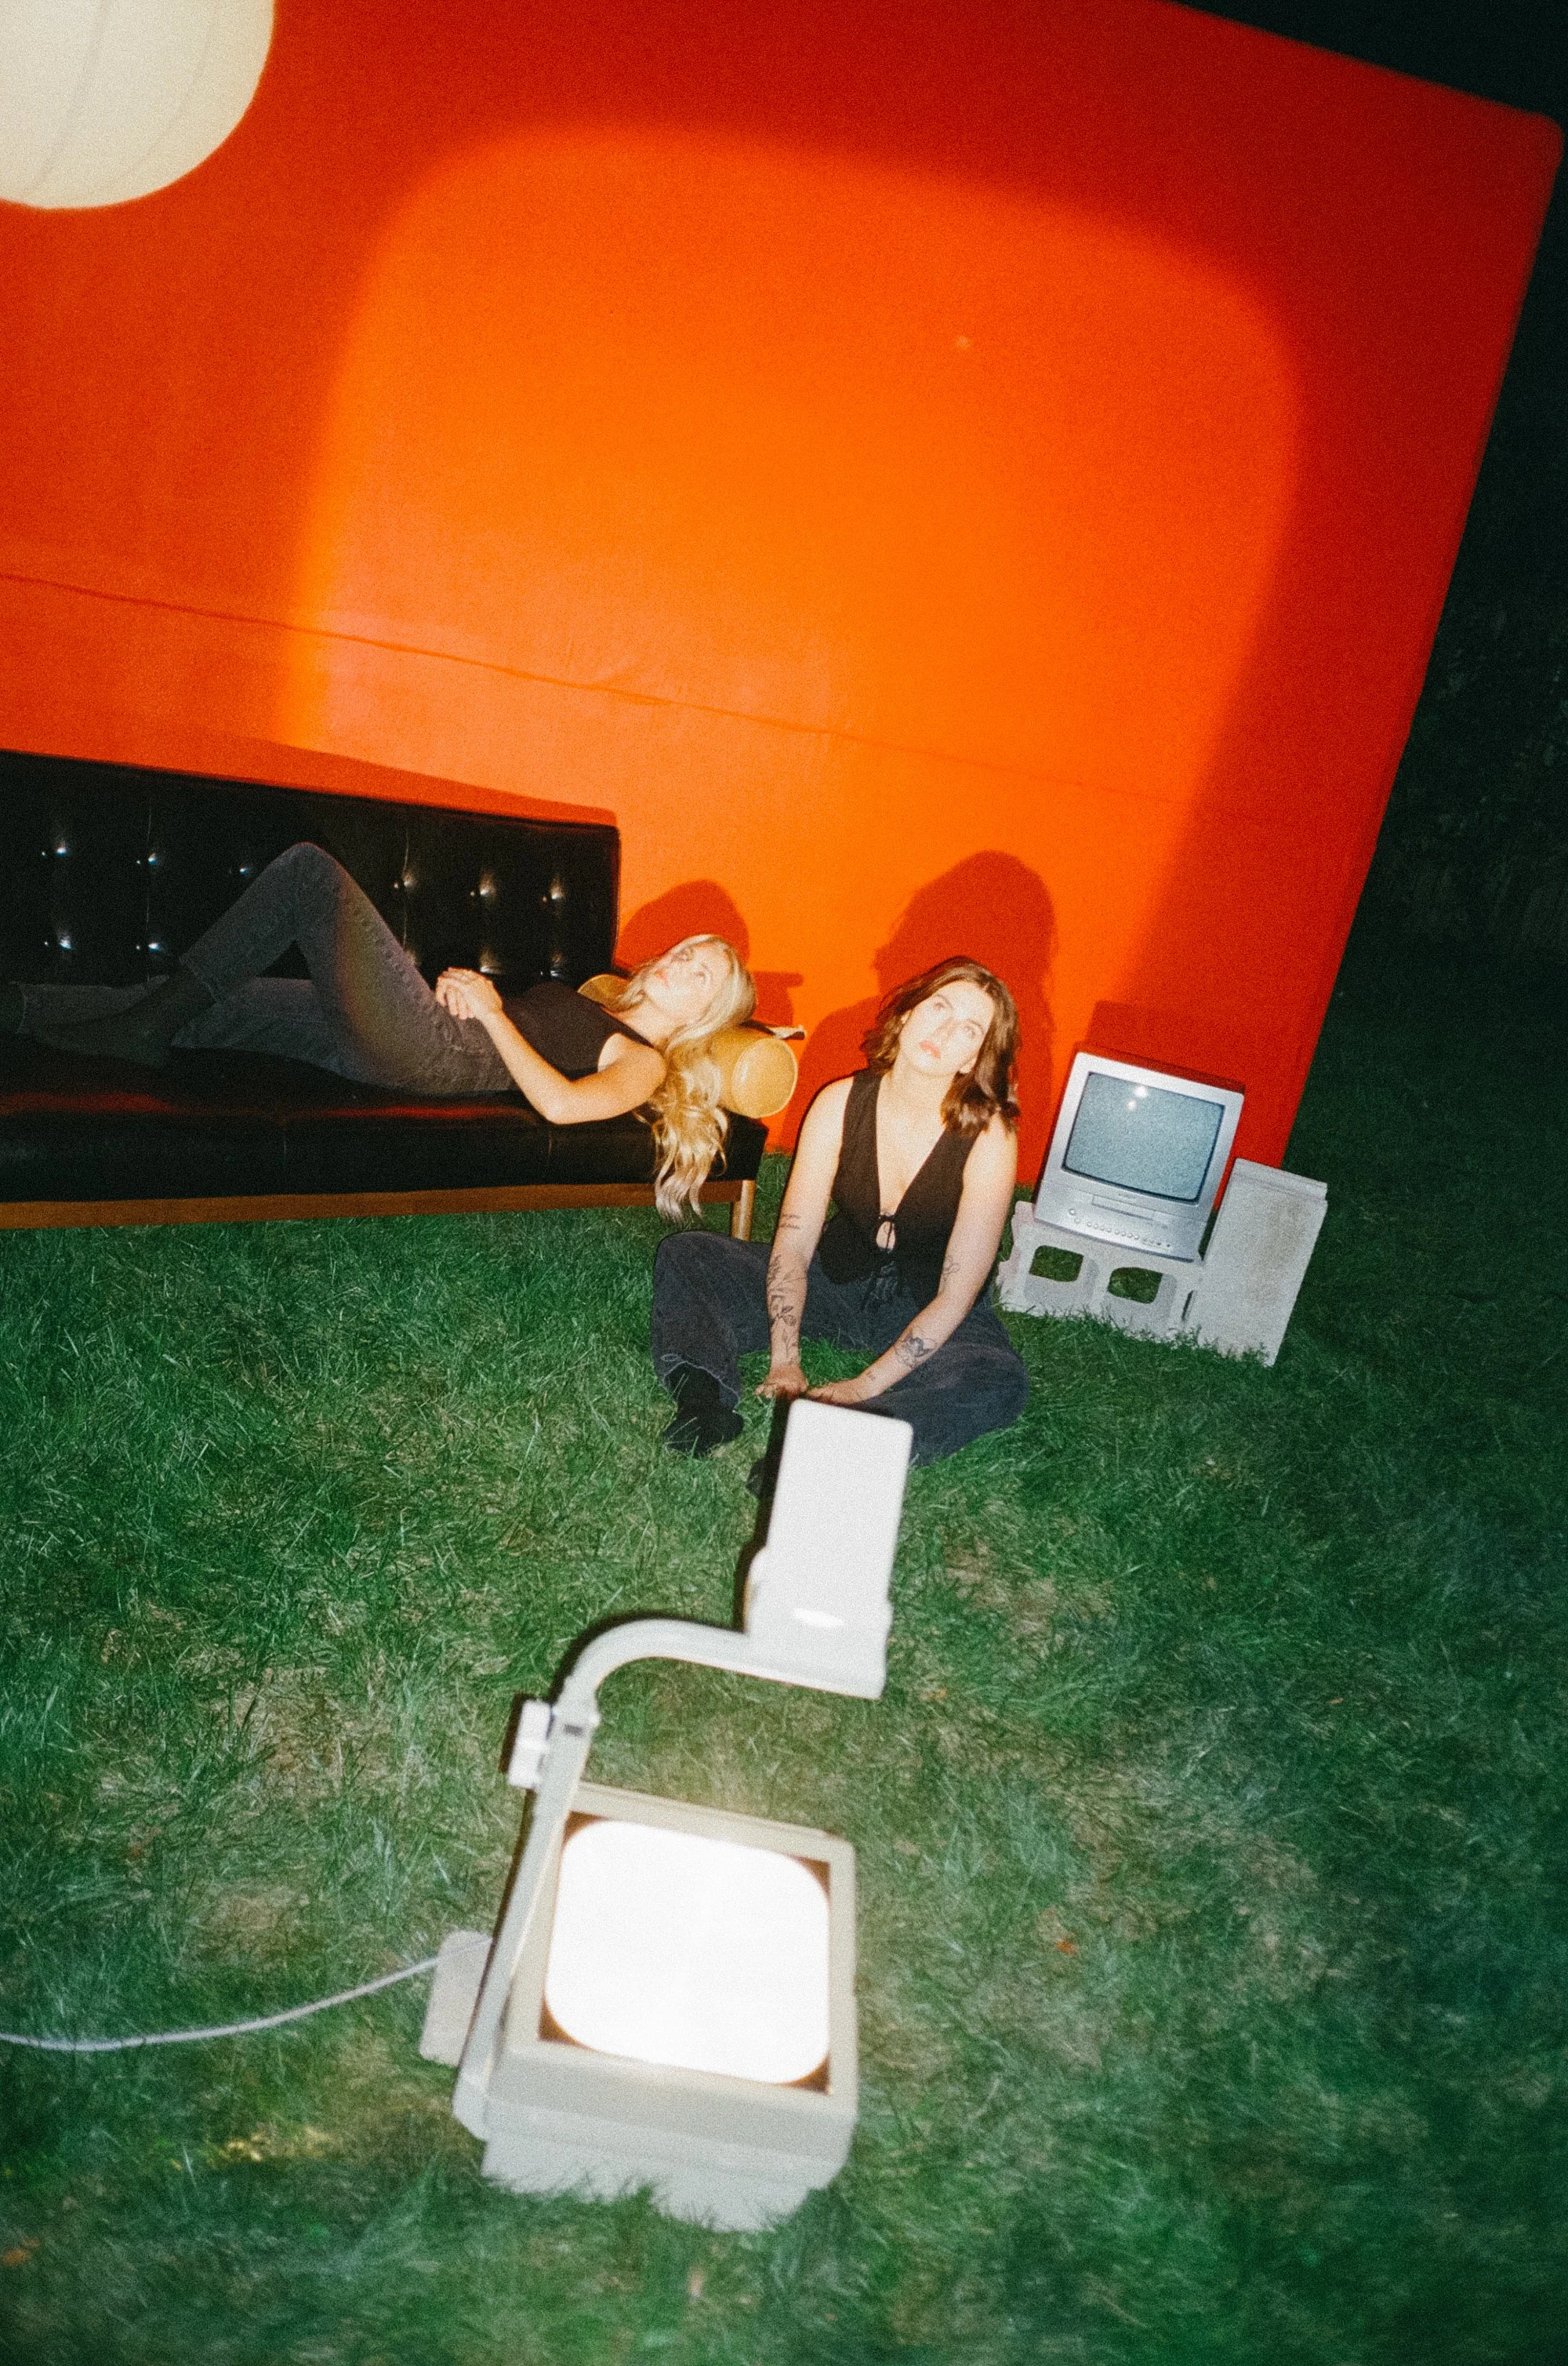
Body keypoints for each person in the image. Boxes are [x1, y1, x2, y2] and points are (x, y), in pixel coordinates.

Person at [5, 841, 754, 1219]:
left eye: (703, 977)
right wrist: (471, 1002)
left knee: (308, 872)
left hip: (437, 1052)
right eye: (689, 952)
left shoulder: (645, 1063)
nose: (684, 965)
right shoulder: (604, 1003)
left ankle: (140, 1029)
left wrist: (492, 1015)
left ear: (701, 1016)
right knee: (222, 1005)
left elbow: (559, 1104)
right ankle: (25, 1008)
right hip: (420, 1036)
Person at [652, 954, 1029, 1469]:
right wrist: (785, 1359)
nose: (943, 1029)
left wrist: (861, 1386)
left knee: (997, 1379)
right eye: (939, 1006)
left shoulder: (990, 1136)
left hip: (929, 1304)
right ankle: (705, 1401)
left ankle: (829, 1449)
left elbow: (957, 1292)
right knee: (689, 1253)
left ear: (973, 1058)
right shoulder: (840, 1102)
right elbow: (796, 1239)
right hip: (833, 1283)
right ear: (912, 1008)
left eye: (968, 1029)